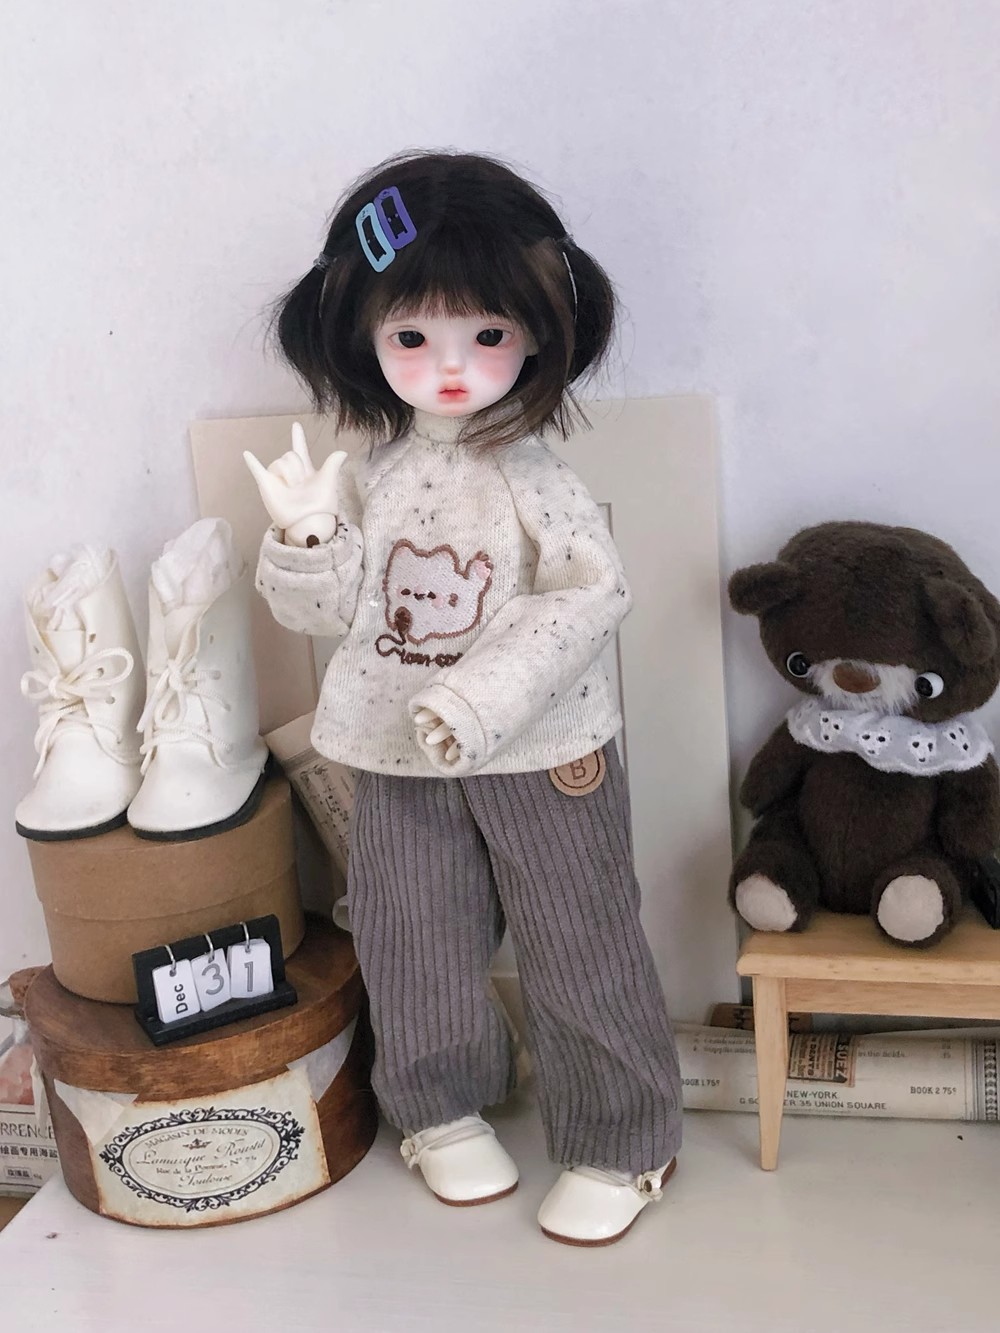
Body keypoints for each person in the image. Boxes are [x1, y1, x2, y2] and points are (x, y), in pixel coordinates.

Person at [245, 150, 681, 1246]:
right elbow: (326, 610)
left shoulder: (536, 477)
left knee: (579, 940)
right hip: (393, 752)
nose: (449, 368)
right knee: (412, 936)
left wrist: (480, 699)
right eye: (411, 337)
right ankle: (437, 1109)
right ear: (360, 335)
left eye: (486, 334)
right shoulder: (375, 476)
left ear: (540, 328)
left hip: (543, 749)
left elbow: (589, 595)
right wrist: (307, 536)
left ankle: (624, 1137)